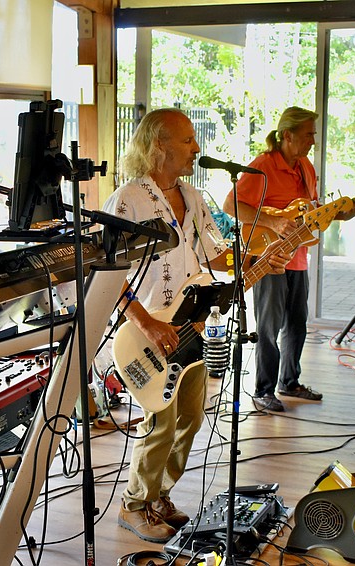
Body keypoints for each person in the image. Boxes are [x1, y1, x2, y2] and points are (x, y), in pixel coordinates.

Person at [104, 108, 291, 543]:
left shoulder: (192, 195)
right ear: (159, 145)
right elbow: (107, 274)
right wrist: (147, 324)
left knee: (190, 417)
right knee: (160, 423)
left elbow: (217, 256)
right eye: (188, 140)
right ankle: (134, 505)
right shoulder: (128, 199)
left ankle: (159, 496)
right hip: (146, 333)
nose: (196, 148)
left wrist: (259, 259)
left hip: (190, 328)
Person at [222, 106, 355, 412]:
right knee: (268, 328)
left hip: (297, 258)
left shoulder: (305, 167)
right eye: (308, 134)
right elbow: (231, 204)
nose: (313, 141)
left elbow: (312, 211)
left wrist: (341, 214)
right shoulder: (263, 166)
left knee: (297, 324)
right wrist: (272, 222)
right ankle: (263, 390)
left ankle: (289, 381)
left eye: (314, 134)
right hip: (269, 257)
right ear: (287, 135)